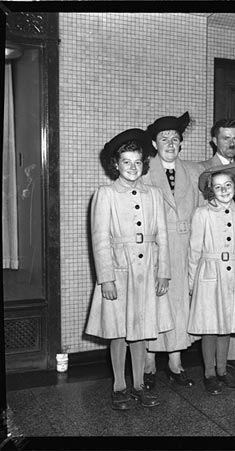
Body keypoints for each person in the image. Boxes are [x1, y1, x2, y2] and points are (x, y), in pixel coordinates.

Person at [86, 128, 173, 410]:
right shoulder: (105, 194)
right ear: (116, 164)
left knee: (143, 330)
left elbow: (163, 235)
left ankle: (139, 384)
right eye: (126, 162)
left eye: (137, 162)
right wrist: (106, 278)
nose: (132, 167)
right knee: (120, 332)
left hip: (147, 270)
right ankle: (119, 386)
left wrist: (164, 271)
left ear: (143, 164)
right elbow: (99, 240)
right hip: (119, 272)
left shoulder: (154, 194)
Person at [141, 111, 203, 390]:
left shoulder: (193, 171)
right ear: (154, 144)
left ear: (181, 144)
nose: (170, 144)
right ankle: (149, 363)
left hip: (186, 249)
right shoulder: (142, 172)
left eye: (175, 139)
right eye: (164, 138)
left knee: (180, 306)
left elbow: (203, 212)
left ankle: (176, 363)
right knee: (155, 306)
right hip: (155, 250)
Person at [187, 164, 235, 395]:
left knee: (226, 325)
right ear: (210, 190)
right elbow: (194, 250)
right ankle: (209, 374)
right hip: (208, 274)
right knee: (210, 327)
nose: (223, 190)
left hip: (233, 275)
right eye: (217, 187)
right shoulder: (202, 213)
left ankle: (223, 371)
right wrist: (192, 282)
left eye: (228, 185)